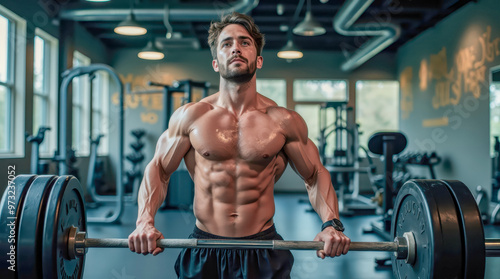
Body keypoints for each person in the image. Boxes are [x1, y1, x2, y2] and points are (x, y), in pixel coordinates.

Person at [128, 12, 350, 279]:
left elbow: (314, 174)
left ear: (258, 60)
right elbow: (159, 169)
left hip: (263, 248)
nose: (235, 47)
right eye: (226, 43)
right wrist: (144, 222)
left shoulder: (283, 121)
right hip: (205, 248)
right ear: (215, 62)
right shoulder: (191, 117)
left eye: (245, 42)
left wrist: (331, 225)